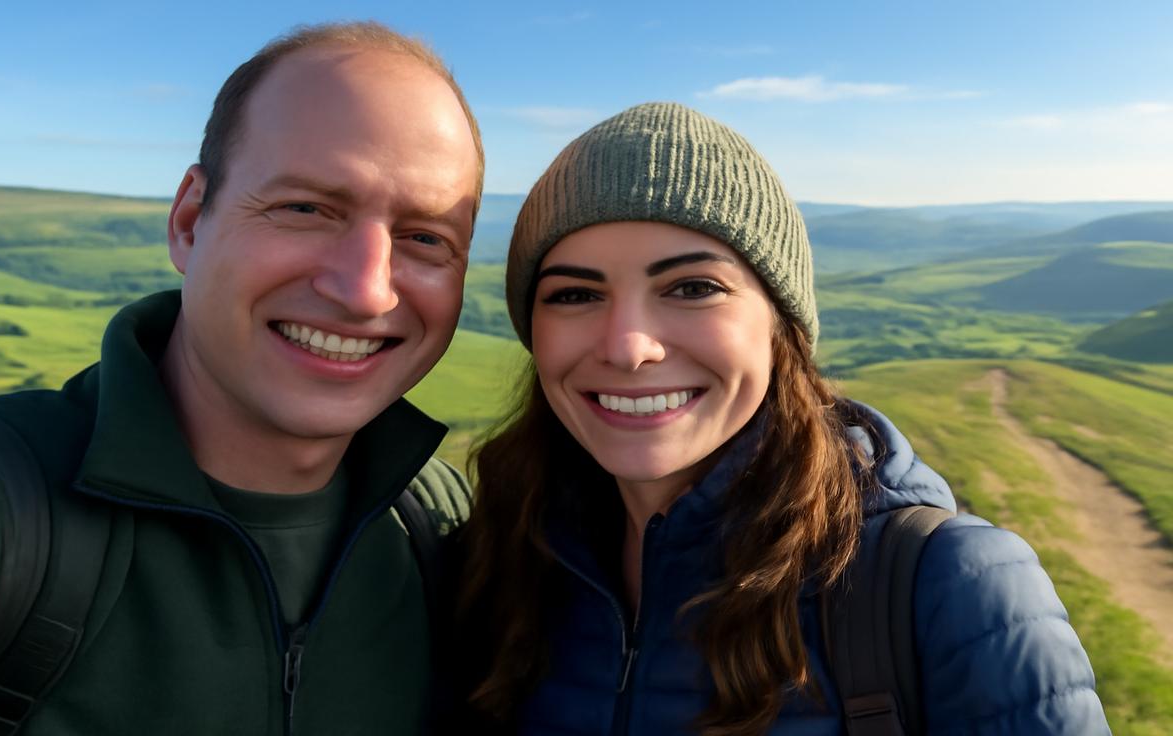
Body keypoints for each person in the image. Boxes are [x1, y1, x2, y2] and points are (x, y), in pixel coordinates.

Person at [0, 21, 481, 735]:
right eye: (306, 209)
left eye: (426, 238)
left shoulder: (439, 526)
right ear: (189, 221)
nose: (366, 291)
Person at [455, 103, 1108, 734]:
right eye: (574, 294)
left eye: (692, 288)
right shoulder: (498, 552)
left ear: (779, 324)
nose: (629, 347)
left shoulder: (946, 586)